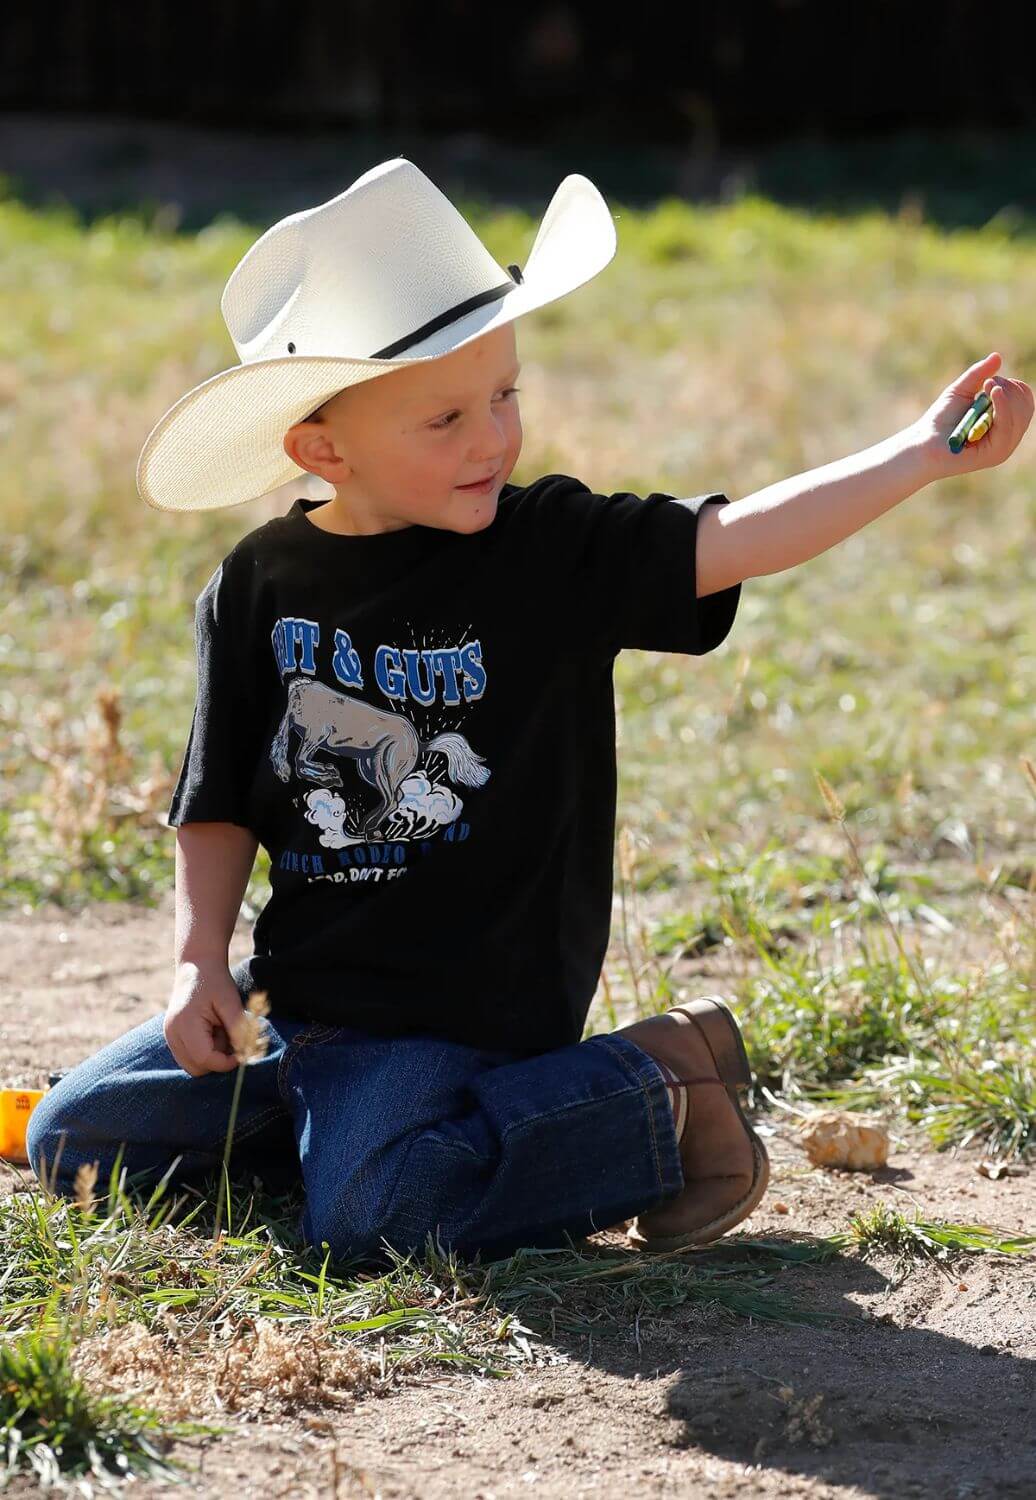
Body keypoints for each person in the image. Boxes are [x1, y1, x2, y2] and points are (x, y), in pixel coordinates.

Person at [26, 158, 1032, 1266]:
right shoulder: (259, 582)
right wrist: (196, 962)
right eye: (446, 417)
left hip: (463, 1012)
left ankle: (652, 1089)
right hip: (297, 1005)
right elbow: (215, 795)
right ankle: (386, 1146)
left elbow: (736, 535)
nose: (492, 440)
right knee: (76, 1139)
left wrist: (919, 455)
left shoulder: (549, 548)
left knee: (373, 1223)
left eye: (505, 396)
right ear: (323, 449)